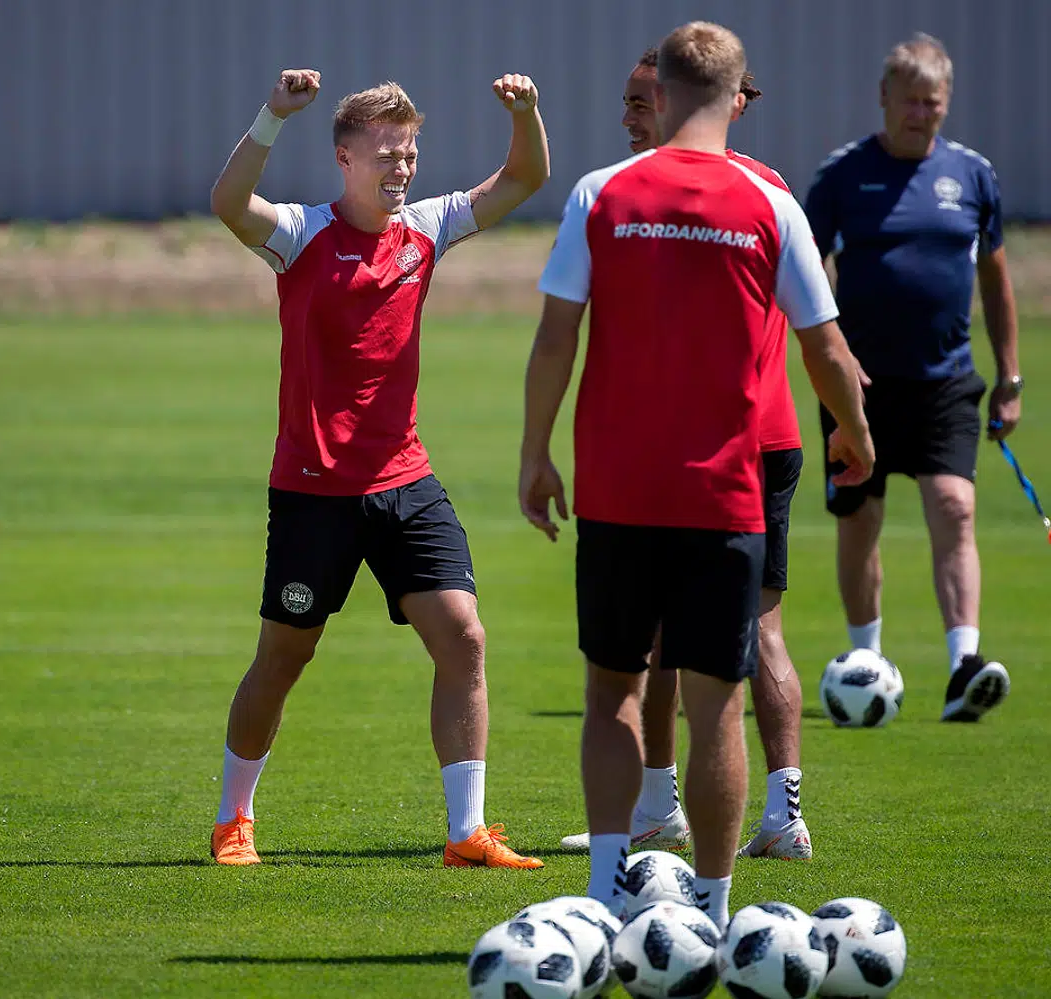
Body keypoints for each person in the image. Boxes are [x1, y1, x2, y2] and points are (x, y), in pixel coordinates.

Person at [520, 22, 872, 928]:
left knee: (613, 692)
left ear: (664, 92)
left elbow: (557, 333)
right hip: (726, 493)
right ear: (737, 97)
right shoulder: (770, 202)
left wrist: (535, 450)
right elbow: (826, 345)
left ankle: (604, 894)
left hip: (616, 490)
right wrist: (855, 431)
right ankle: (712, 911)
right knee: (718, 706)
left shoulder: (604, 192)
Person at [207, 69, 549, 868]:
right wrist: (271, 116)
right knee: (284, 657)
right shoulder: (299, 232)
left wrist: (525, 115)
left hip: (405, 482)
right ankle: (234, 819)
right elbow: (228, 203)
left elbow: (526, 177)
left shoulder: (427, 227)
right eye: (388, 154)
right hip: (312, 495)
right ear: (345, 158)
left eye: (411, 153)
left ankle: (466, 832)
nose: (402, 168)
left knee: (463, 637)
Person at [560, 48, 816, 861]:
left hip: (737, 447)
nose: (633, 118)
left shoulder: (698, 194)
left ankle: (774, 813)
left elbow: (820, 335)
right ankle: (668, 807)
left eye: (644, 102)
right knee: (678, 641)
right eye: (629, 102)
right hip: (725, 447)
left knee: (744, 636)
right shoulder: (735, 193)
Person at [805, 33, 1020, 722]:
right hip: (857, 385)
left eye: (933, 103)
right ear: (884, 99)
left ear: (945, 103)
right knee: (860, 521)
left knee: (955, 507)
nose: (920, 114)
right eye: (909, 102)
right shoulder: (841, 177)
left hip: (947, 380)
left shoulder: (973, 175)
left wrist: (1009, 376)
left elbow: (996, 276)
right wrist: (830, 358)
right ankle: (866, 657)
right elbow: (806, 274)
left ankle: (964, 666)